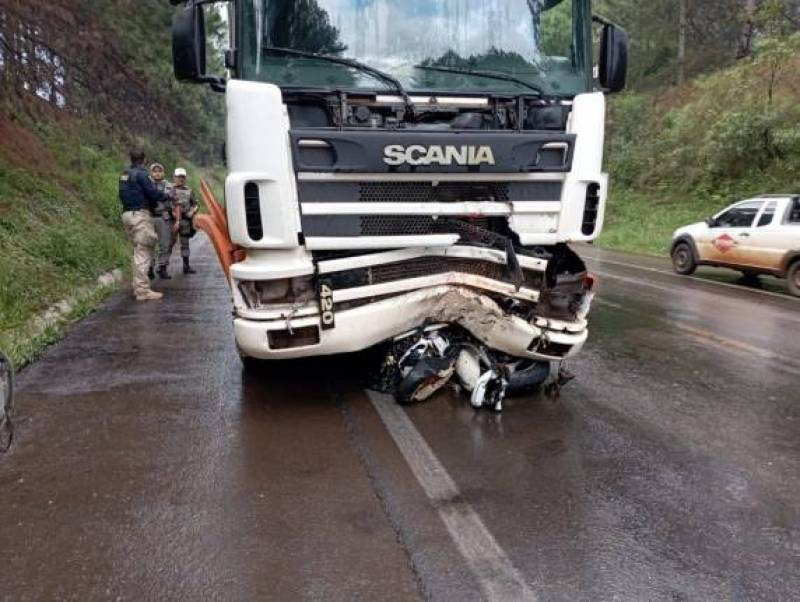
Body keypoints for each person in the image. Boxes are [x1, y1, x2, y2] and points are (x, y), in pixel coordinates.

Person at [118, 149, 170, 301]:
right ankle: (142, 291)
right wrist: (167, 196)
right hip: (140, 214)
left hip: (127, 214)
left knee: (138, 250)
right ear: (144, 159)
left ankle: (138, 287)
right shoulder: (141, 174)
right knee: (144, 251)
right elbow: (153, 193)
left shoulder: (124, 174)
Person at [149, 162, 179, 280]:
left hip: (164, 217)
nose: (157, 174)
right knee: (149, 244)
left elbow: (177, 204)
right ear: (151, 173)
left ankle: (162, 267)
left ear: (163, 173)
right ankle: (149, 268)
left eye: (159, 171)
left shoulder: (170, 186)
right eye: (154, 171)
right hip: (149, 217)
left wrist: (177, 220)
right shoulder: (146, 185)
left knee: (165, 244)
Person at [171, 167, 199, 275]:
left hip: (186, 221)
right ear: (174, 177)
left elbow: (196, 204)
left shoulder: (189, 191)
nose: (181, 179)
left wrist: (193, 211)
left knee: (185, 244)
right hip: (171, 221)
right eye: (179, 177)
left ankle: (186, 266)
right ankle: (161, 267)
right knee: (167, 244)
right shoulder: (169, 190)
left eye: (183, 177)